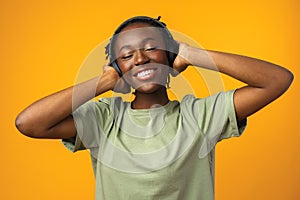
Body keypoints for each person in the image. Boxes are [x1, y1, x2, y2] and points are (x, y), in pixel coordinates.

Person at [15, 16, 293, 200]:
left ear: (170, 57)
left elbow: (277, 81)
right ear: (117, 67)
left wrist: (194, 55)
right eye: (125, 55)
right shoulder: (104, 119)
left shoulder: (200, 116)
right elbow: (29, 123)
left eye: (151, 48)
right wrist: (103, 82)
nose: (139, 59)